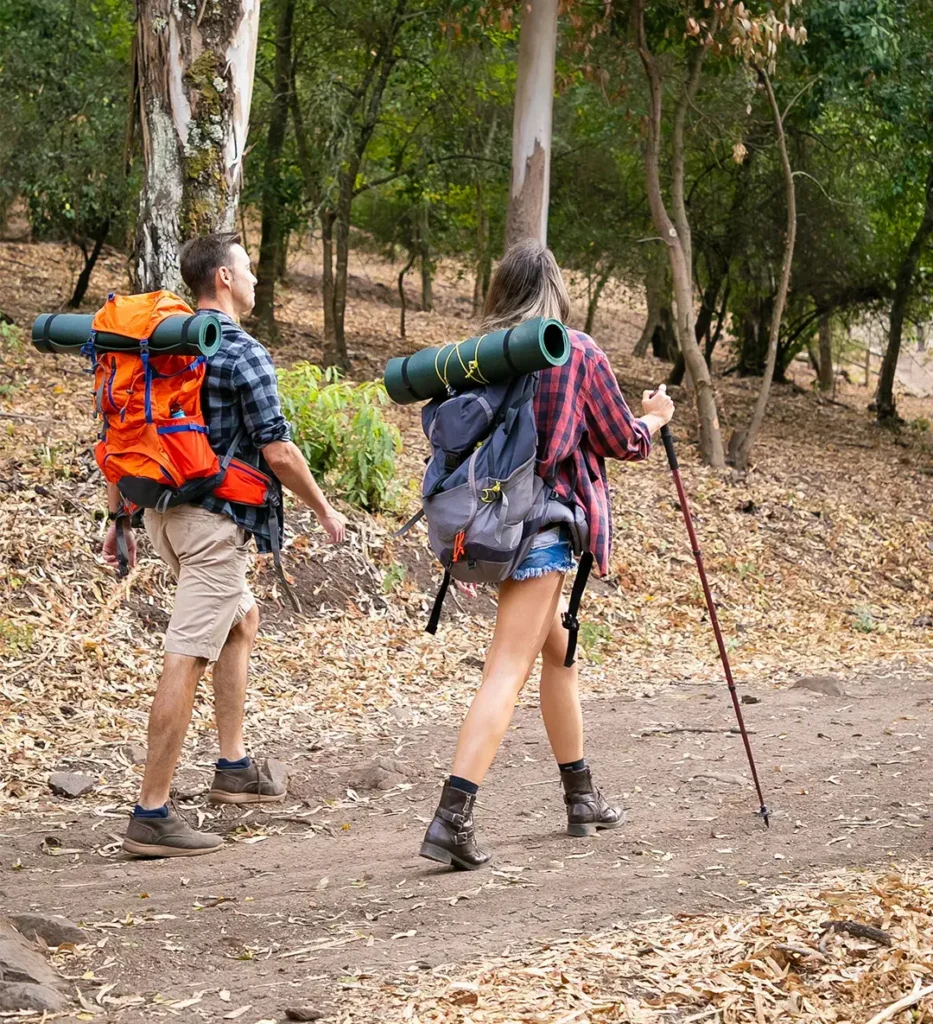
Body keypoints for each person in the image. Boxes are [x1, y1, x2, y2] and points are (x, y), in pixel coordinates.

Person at [419, 240, 675, 870]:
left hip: (489, 526)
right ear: (555, 289)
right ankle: (451, 818)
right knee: (507, 670)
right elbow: (622, 440)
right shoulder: (574, 352)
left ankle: (580, 795)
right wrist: (657, 419)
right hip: (544, 529)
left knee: (557, 651)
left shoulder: (480, 359)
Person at [104, 232, 348, 858]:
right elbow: (279, 450)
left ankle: (233, 767)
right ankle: (151, 814)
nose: (255, 279)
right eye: (247, 269)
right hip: (213, 528)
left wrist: (120, 518)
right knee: (187, 654)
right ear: (222, 281)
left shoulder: (163, 345)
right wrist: (324, 509)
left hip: (162, 514)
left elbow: (121, 426)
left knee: (242, 619)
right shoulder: (242, 352)